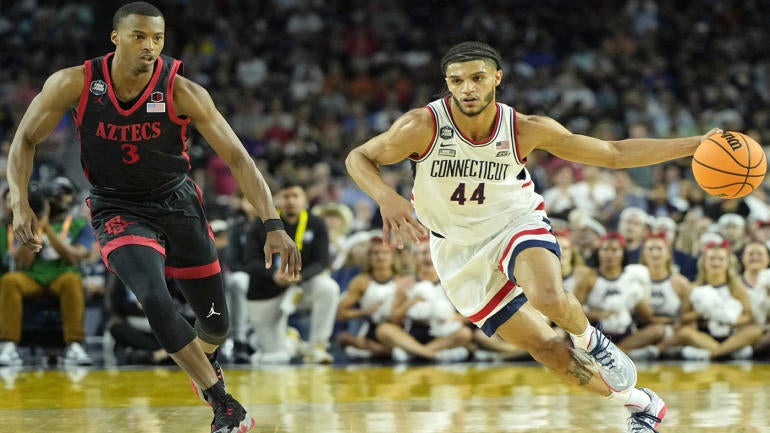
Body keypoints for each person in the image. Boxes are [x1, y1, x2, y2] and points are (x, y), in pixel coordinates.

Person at [345, 40, 721, 432]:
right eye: (457, 81)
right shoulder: (420, 126)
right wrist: (385, 197)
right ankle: (640, 404)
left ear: (497, 78)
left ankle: (590, 338)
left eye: (477, 78)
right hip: (455, 248)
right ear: (447, 84)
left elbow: (613, 153)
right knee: (546, 350)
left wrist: (694, 145)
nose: (468, 89)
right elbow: (358, 157)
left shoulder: (524, 128)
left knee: (547, 296)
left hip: (513, 222)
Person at [5, 3, 300, 432]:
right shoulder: (74, 83)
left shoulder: (183, 90)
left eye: (157, 38)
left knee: (216, 324)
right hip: (117, 207)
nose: (150, 46)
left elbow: (238, 158)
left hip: (178, 204)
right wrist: (19, 202)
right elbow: (25, 140)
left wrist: (274, 224)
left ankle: (204, 362)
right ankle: (225, 405)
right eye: (140, 36)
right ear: (116, 38)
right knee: (153, 295)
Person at [241, 181, 340, 364]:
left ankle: (317, 345)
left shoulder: (316, 224)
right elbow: (250, 262)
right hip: (266, 291)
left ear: (304, 199)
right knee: (277, 357)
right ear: (277, 200)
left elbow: (321, 261)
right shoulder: (261, 224)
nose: (291, 201)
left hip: (300, 287)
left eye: (295, 196)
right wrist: (273, 275)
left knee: (328, 288)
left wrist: (300, 276)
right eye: (286, 196)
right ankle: (291, 341)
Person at [0, 178, 94, 367]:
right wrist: (37, 225)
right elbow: (23, 259)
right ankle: (8, 345)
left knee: (72, 280)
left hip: (61, 275)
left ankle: (75, 345)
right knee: (10, 280)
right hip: (32, 276)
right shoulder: (26, 223)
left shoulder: (79, 224)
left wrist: (47, 228)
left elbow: (75, 256)